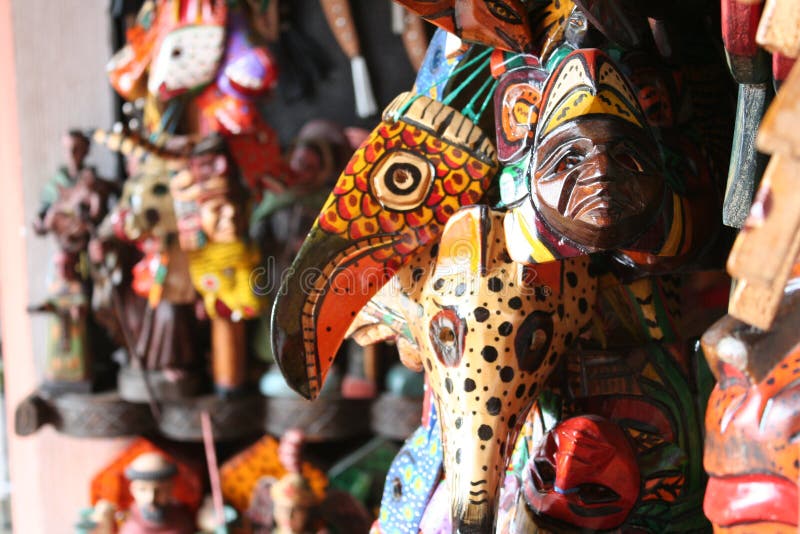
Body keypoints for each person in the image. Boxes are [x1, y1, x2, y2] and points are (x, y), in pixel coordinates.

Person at [119, 452, 195, 534]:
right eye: (142, 489)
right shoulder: (127, 520)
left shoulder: (181, 517)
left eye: (159, 490)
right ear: (132, 490)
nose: (151, 498)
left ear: (171, 488)